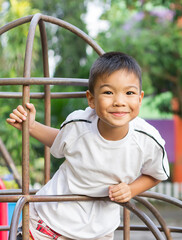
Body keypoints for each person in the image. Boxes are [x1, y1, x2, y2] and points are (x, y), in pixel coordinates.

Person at [7, 52, 170, 240]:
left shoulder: (147, 139)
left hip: (97, 232)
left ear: (140, 99)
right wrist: (32, 126)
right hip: (49, 223)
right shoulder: (78, 125)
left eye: (129, 93)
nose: (119, 101)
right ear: (91, 99)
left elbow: (156, 173)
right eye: (108, 92)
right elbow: (61, 140)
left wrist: (131, 189)